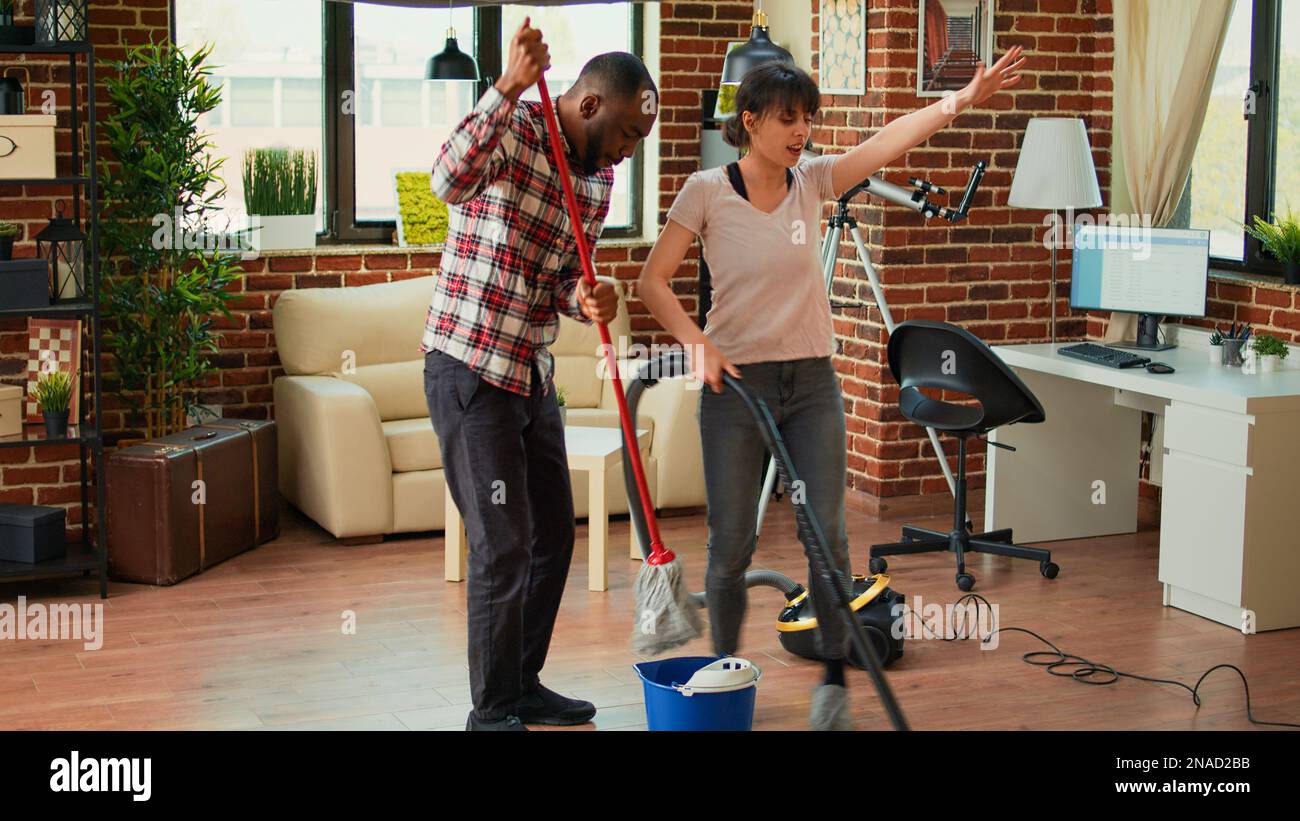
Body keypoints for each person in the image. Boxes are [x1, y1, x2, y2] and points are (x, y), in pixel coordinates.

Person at [636, 48, 1024, 730]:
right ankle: (725, 670)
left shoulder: (813, 181)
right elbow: (652, 281)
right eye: (787, 118)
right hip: (735, 387)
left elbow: (885, 142)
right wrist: (698, 344)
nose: (801, 131)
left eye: (807, 119)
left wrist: (960, 98)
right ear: (749, 120)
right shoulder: (705, 190)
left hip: (812, 381)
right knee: (731, 546)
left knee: (828, 536)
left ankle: (836, 682)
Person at [422, 18, 658, 732]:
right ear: (588, 105)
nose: (624, 152)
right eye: (621, 135)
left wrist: (585, 299)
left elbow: (556, 278)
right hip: (468, 367)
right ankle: (490, 711)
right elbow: (446, 179)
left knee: (555, 529)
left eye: (635, 144)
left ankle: (521, 683)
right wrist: (505, 88)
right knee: (503, 541)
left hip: (528, 371)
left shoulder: (597, 182)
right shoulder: (514, 134)